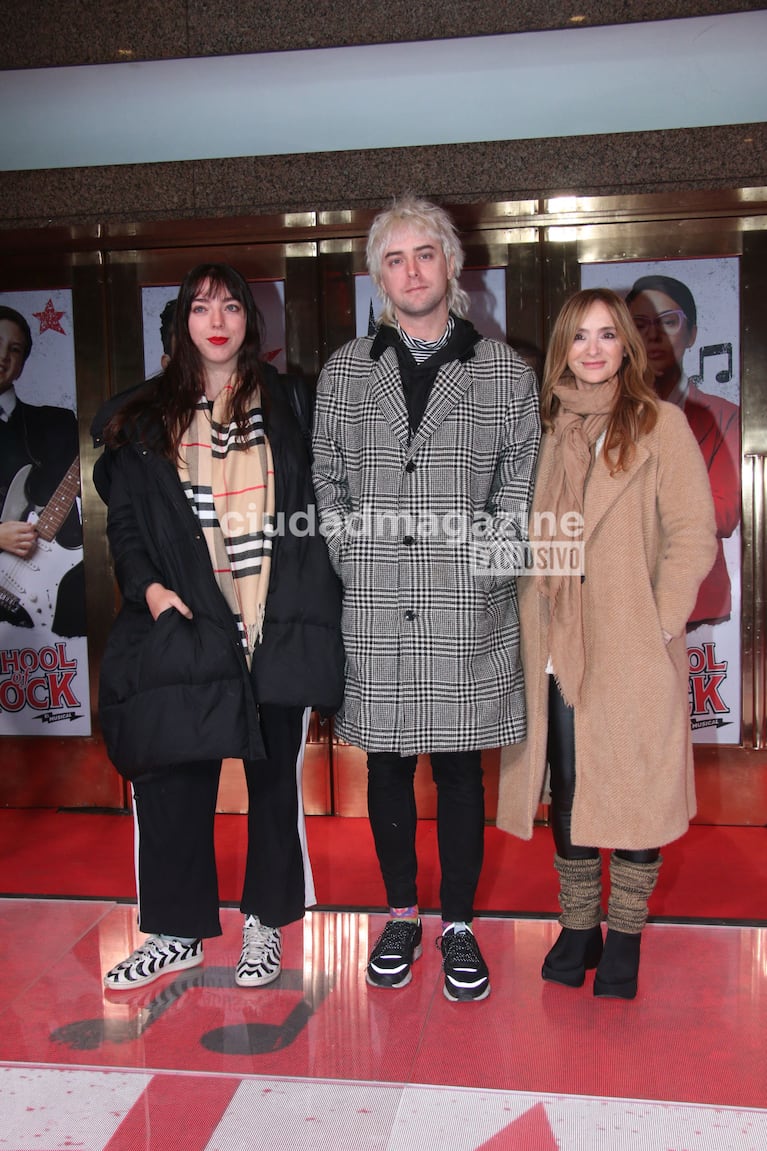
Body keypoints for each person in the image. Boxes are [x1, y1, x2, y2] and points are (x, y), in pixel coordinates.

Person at [312, 195, 540, 1002]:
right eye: (395, 259)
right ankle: (400, 912)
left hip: (463, 608)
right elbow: (327, 485)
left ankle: (458, 924)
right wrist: (356, 558)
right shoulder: (345, 370)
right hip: (375, 604)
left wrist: (482, 571)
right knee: (386, 763)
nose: (412, 271)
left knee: (458, 770)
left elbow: (519, 490)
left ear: (452, 264)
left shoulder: (505, 370)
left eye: (425, 254)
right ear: (379, 276)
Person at [93, 263, 344, 991]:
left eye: (231, 305)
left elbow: (324, 499)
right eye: (201, 306)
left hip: (276, 622)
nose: (218, 319)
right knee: (172, 779)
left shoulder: (290, 400)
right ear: (179, 323)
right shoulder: (145, 419)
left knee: (271, 789)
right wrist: (147, 588)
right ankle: (174, 932)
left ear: (249, 321)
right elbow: (130, 521)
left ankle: (264, 927)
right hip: (189, 622)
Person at [497, 288, 717, 1000]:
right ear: (563, 346)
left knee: (634, 790)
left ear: (626, 343)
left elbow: (691, 534)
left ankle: (623, 933)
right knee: (566, 789)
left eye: (605, 335)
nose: (592, 349)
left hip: (629, 640)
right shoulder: (544, 427)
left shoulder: (662, 425)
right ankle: (576, 924)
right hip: (557, 641)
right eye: (578, 336)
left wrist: (659, 619)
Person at [625, 274, 740, 628]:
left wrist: (629, 502)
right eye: (639, 324)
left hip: (697, 604)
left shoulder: (721, 415)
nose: (654, 335)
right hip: (622, 599)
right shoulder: (604, 415)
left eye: (668, 322)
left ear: (692, 334)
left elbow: (723, 513)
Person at [0, 304, 85, 636]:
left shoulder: (57, 424)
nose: (3, 356)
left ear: (21, 365)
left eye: (14, 349)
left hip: (42, 609)